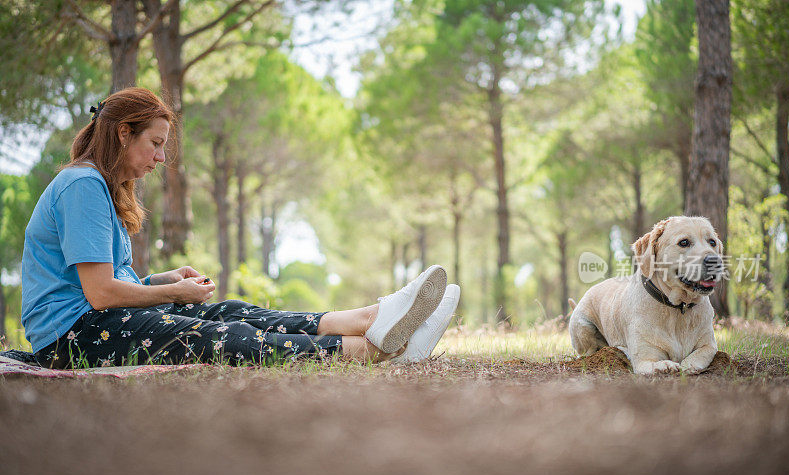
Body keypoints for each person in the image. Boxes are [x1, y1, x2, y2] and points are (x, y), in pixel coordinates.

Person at [21, 87, 461, 369]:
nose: (159, 158)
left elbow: (105, 283)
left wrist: (159, 281)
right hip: (72, 338)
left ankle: (371, 319)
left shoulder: (98, 186)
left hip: (97, 321)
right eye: (155, 144)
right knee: (226, 337)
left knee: (232, 311)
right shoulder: (81, 186)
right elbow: (99, 294)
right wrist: (173, 294)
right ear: (122, 134)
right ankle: (380, 350)